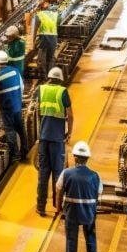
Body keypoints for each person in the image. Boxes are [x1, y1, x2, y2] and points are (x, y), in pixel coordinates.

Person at [55, 141, 103, 252]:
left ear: (75, 157)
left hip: (72, 213)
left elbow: (58, 191)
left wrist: (59, 209)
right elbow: (98, 194)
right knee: (90, 238)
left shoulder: (66, 173)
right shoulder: (95, 176)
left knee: (71, 239)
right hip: (89, 213)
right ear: (87, 159)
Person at [35, 67, 72, 216]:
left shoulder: (41, 90)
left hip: (44, 138)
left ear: (49, 78)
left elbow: (37, 111)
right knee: (58, 174)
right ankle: (58, 207)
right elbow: (70, 115)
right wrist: (69, 132)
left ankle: (40, 207)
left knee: (43, 173)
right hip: (57, 140)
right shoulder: (62, 92)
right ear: (60, 79)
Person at [0, 51, 27, 162]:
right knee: (21, 129)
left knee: (10, 130)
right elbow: (21, 87)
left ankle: (15, 155)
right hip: (17, 105)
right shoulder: (16, 71)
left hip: (6, 108)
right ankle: (25, 150)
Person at [31, 2, 59, 76]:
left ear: (40, 8)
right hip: (54, 38)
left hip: (44, 37)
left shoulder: (39, 15)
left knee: (42, 57)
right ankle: (51, 76)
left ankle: (44, 76)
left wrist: (33, 42)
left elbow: (34, 30)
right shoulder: (54, 14)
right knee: (51, 57)